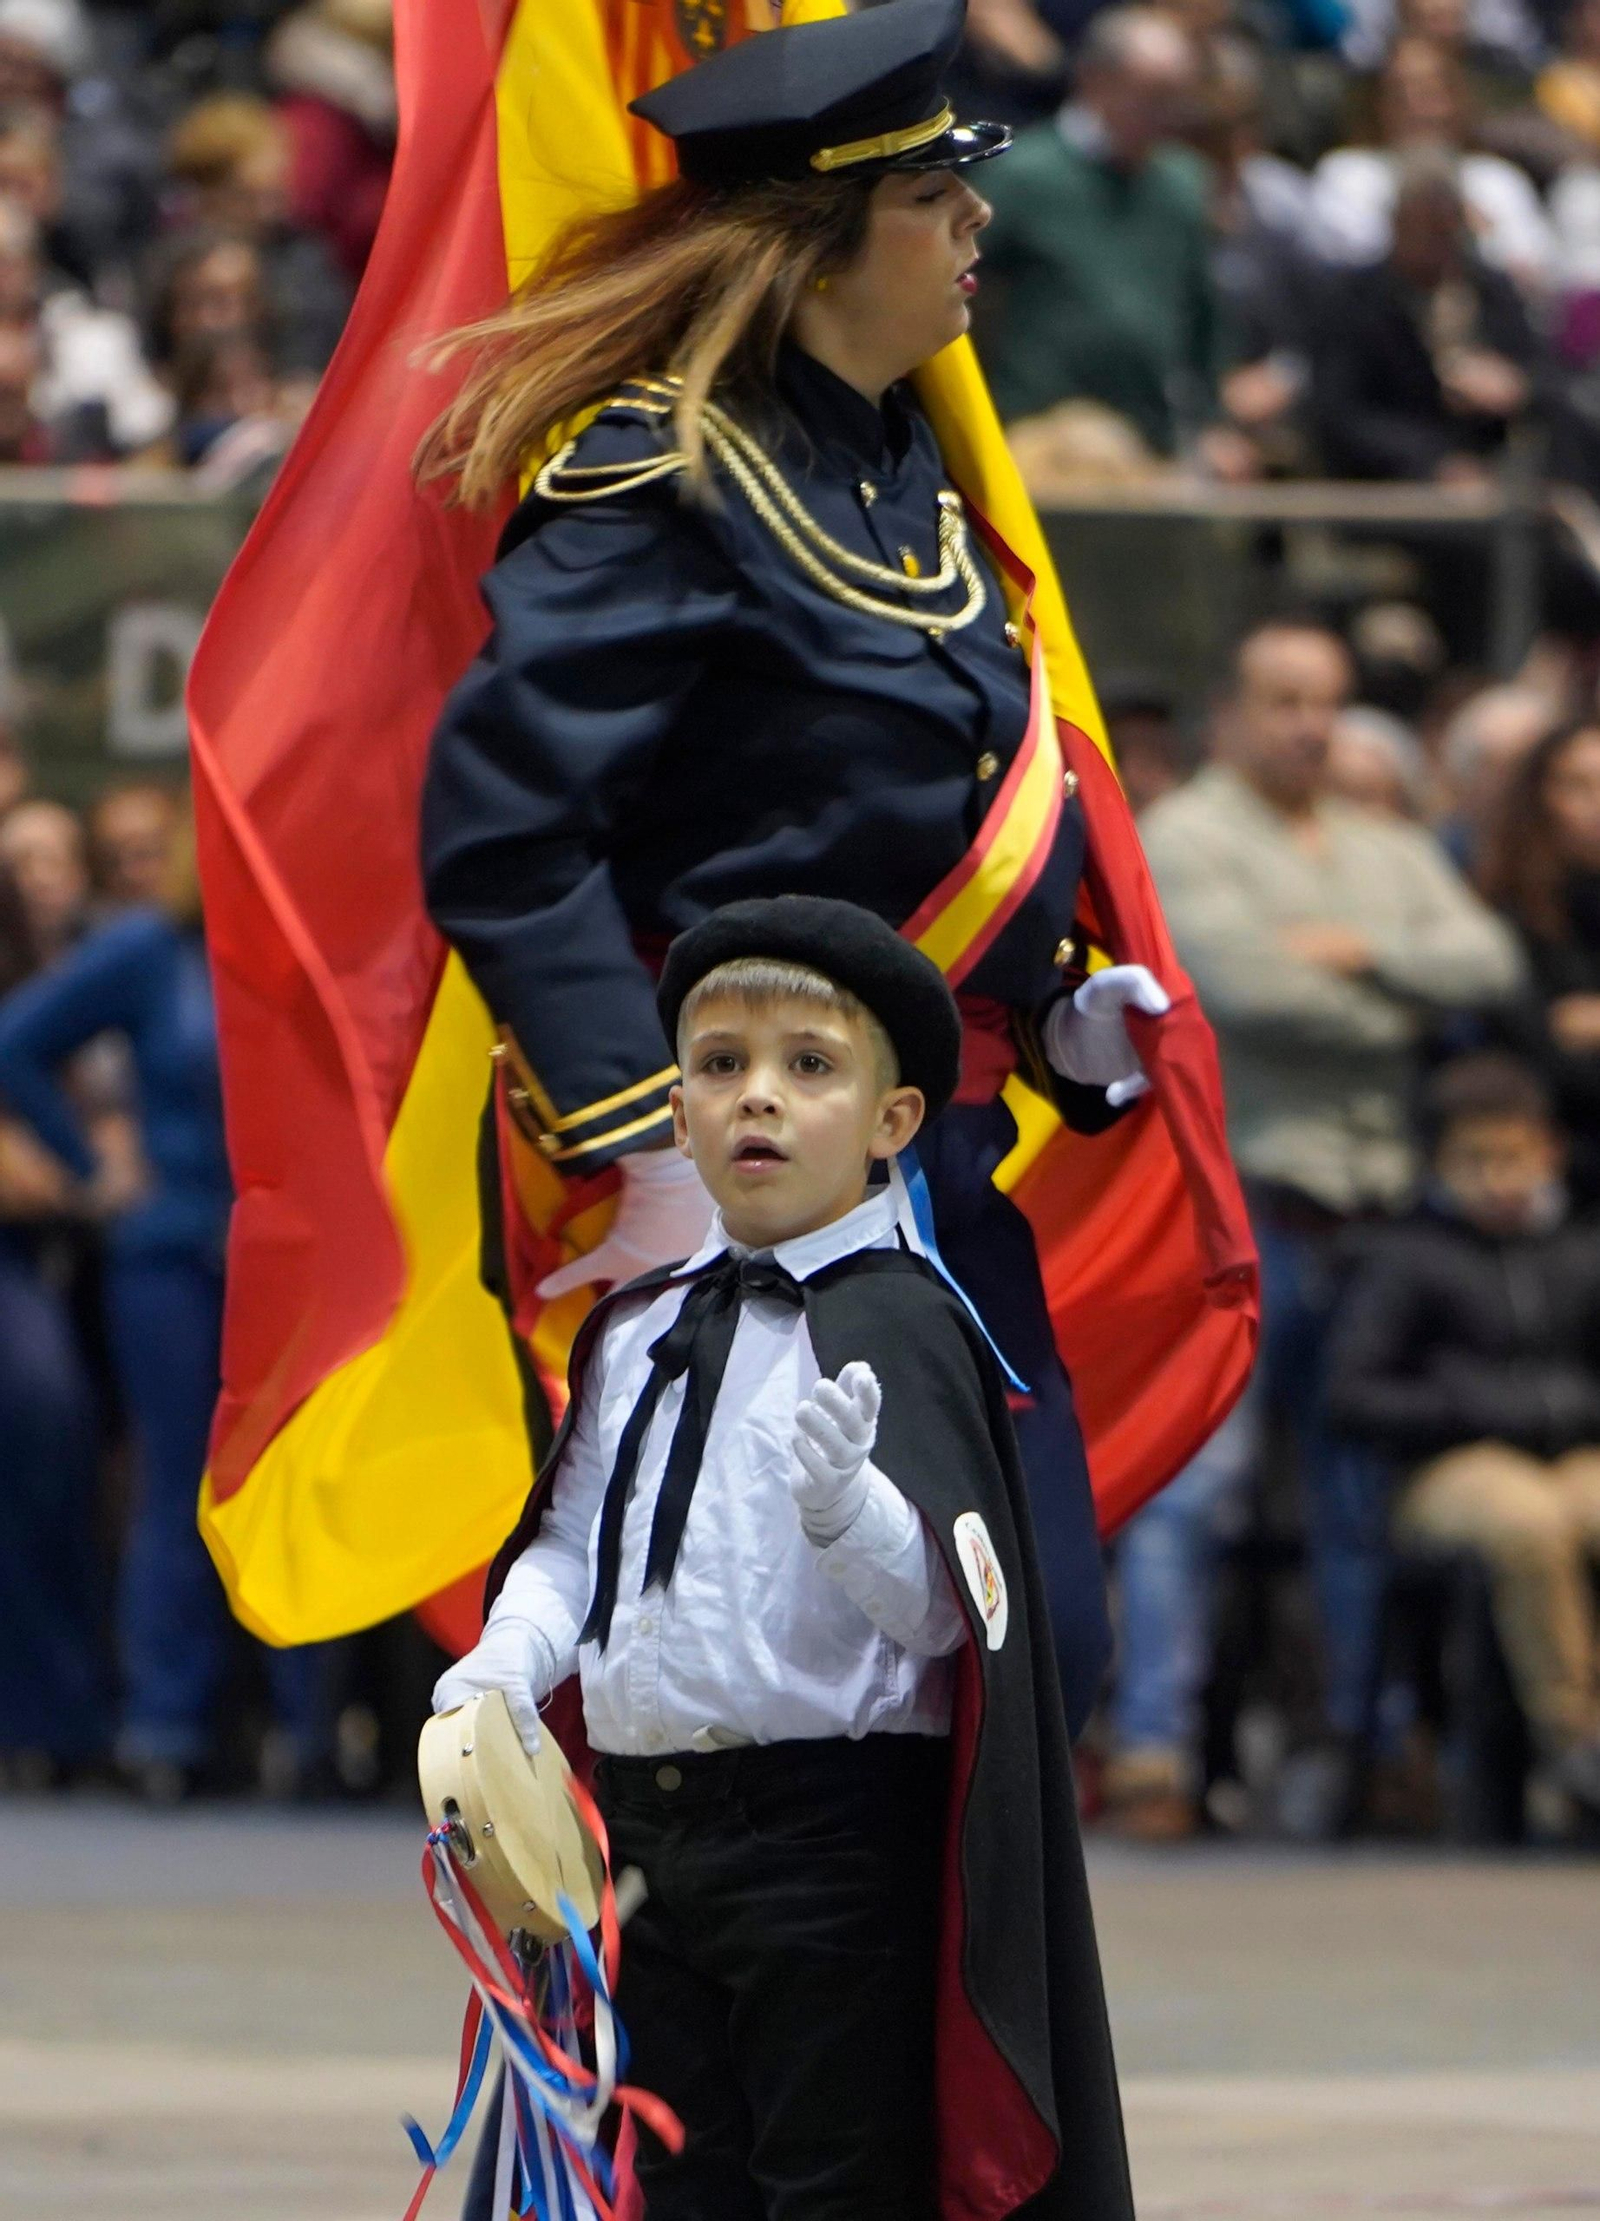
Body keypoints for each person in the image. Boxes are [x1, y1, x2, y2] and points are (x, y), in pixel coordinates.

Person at [418, 0, 1203, 1739]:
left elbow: (888, 819)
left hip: (932, 1182)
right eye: (938, 196)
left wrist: (1050, 1009)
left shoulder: (903, 464)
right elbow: (504, 829)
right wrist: (649, 1145)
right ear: (826, 240)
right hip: (736, 1189)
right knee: (755, 1730)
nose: (978, 225)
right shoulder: (662, 483)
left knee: (1022, 1650)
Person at [436, 895, 1133, 2221]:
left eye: (810, 1065)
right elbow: (575, 1542)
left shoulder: (917, 1328)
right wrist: (505, 1659)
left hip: (835, 1848)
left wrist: (854, 1516)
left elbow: (952, 1621)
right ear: (678, 1111)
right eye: (720, 1065)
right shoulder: (636, 1330)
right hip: (643, 1837)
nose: (759, 1096)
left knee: (834, 2181)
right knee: (667, 2175)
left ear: (892, 1123)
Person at [1117, 620, 1521, 1835]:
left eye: (1326, 704)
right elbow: (1245, 988)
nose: (1307, 724)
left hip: (1377, 1222)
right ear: (1227, 712)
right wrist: (1398, 993)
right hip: (1240, 1210)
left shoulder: (1382, 842)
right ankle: (1151, 1754)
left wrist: (1359, 957)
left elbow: (1489, 960)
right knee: (1199, 1489)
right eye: (1282, 698)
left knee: (1354, 1499)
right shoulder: (1183, 836)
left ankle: (1367, 1748)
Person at [0, 801, 328, 1798]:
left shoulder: (319, 939)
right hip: (173, 1254)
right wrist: (87, 1158)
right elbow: (15, 1041)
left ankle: (303, 1735)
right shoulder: (153, 947)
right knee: (183, 1484)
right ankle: (165, 1726)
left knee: (302, 1482)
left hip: (300, 1264)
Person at [1324, 1054, 1600, 1815]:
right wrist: (1465, 1403)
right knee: (1528, 1522)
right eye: (1473, 1160)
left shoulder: (1579, 1250)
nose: (1496, 1177)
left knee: (1577, 1506)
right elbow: (1349, 1394)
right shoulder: (1406, 1258)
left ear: (1548, 1152)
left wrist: (1561, 1404)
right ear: (1437, 1163)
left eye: (1511, 1156)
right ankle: (1576, 1737)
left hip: (1572, 1454)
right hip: (1445, 1468)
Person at [975, 7, 1228, 459]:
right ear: (1095, 80)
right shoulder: (1025, 175)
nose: (1166, 116)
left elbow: (1203, 317)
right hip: (1040, 438)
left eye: (1177, 98)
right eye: (1152, 96)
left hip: (1150, 442)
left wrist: (1212, 423)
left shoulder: (1183, 185)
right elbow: (961, 290)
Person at [1311, 155, 1548, 485]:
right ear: (1397, 224)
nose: (1439, 243)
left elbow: (1549, 374)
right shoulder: (1353, 299)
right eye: (1426, 229)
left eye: (1448, 228)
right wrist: (1433, 462)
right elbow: (1341, 413)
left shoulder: (1493, 291)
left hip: (1498, 470)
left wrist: (1516, 386)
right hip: (1398, 487)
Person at [1309, 38, 1556, 295]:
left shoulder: (1498, 179)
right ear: (1378, 104)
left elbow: (1534, 270)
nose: (1418, 108)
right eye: (1400, 94)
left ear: (1457, 100)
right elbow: (1349, 262)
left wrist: (1473, 236)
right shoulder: (1348, 174)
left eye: (1430, 93)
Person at [1481, 719, 1600, 1202]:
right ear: (1538, 798)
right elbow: (1545, 1059)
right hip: (1554, 1182)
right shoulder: (1505, 915)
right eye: (1580, 785)